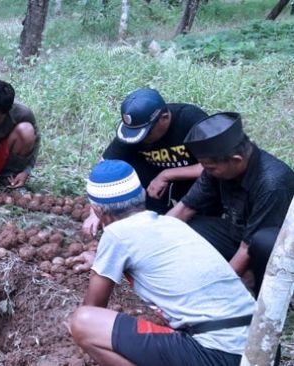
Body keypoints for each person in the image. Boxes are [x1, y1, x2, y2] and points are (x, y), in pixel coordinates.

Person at [68, 160, 256, 366]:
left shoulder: (116, 234)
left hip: (220, 355)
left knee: (83, 321)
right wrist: (101, 261)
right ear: (141, 195)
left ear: (97, 209)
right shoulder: (171, 224)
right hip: (259, 345)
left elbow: (94, 306)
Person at [168, 112, 294, 294]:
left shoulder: (272, 184)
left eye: (209, 167)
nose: (205, 171)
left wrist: (219, 289)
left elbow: (249, 246)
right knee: (187, 227)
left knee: (263, 242)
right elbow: (185, 209)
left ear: (236, 160)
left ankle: (259, 290)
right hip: (239, 233)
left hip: (271, 247)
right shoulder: (216, 168)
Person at [82, 88, 208, 235]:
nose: (140, 139)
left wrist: (168, 174)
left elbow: (215, 166)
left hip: (193, 186)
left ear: (165, 117)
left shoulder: (190, 120)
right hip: (153, 190)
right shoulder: (135, 129)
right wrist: (95, 212)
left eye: (146, 134)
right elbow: (104, 167)